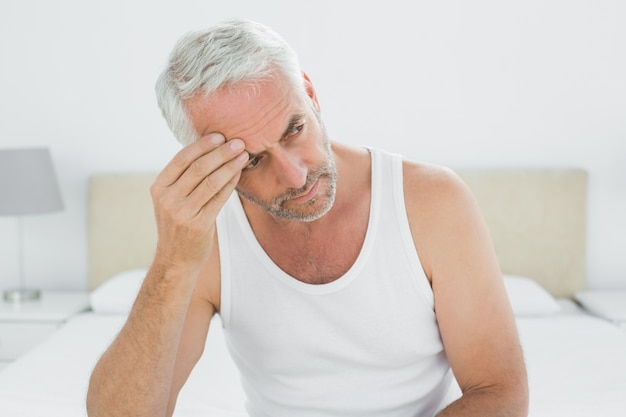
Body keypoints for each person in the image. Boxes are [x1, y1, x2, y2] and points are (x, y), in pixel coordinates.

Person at [87, 18, 528, 417]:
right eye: (253, 162)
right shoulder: (209, 238)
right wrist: (172, 264)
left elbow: (499, 393)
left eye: (293, 129)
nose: (296, 176)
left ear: (311, 95)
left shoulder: (432, 202)